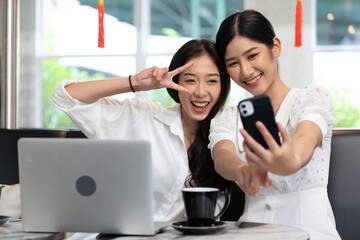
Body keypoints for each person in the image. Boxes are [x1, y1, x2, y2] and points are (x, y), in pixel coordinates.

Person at [54, 39, 232, 222]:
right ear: (175, 82)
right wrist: (135, 83)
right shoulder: (142, 117)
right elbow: (67, 98)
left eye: (212, 81)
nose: (201, 92)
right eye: (190, 80)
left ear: (223, 85)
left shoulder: (227, 132)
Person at [208, 10, 340, 239]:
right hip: (251, 233)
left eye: (252, 56)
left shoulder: (311, 98)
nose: (246, 71)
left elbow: (305, 139)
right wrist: (241, 170)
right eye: (233, 63)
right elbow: (222, 157)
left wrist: (291, 159)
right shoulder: (229, 116)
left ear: (275, 47)